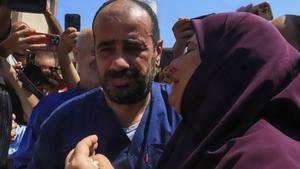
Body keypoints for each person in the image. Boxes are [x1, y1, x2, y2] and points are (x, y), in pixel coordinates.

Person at [67, 12, 300, 169]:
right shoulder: (203, 135)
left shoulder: (267, 159)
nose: (174, 64)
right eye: (106, 50)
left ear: (226, 66)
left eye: (190, 49)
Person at [29, 1, 180, 169]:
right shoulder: (60, 125)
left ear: (157, 52)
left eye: (133, 48)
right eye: (106, 50)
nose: (118, 63)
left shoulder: (186, 113)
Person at [11, 28, 99, 169]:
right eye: (96, 50)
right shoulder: (50, 108)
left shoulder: (129, 106)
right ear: (77, 54)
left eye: (109, 50)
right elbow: (24, 163)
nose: (103, 57)